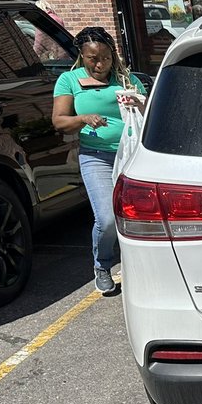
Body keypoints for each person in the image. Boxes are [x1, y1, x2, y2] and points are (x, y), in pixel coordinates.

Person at [51, 27, 146, 295]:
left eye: (105, 57)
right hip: (96, 156)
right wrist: (83, 118)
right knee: (106, 218)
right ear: (81, 56)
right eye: (93, 58)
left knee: (137, 217)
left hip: (132, 155)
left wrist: (140, 104)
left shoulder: (125, 79)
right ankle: (102, 265)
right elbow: (59, 121)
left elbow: (150, 113)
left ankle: (139, 266)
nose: (100, 64)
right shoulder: (69, 80)